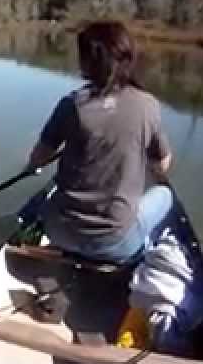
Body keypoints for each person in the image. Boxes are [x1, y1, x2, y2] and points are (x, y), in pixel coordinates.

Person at [26, 21, 173, 264]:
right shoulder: (148, 105)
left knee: (52, 194)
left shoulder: (71, 105)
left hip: (60, 233)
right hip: (116, 245)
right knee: (165, 195)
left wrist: (33, 166)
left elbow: (37, 160)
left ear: (87, 62)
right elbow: (162, 165)